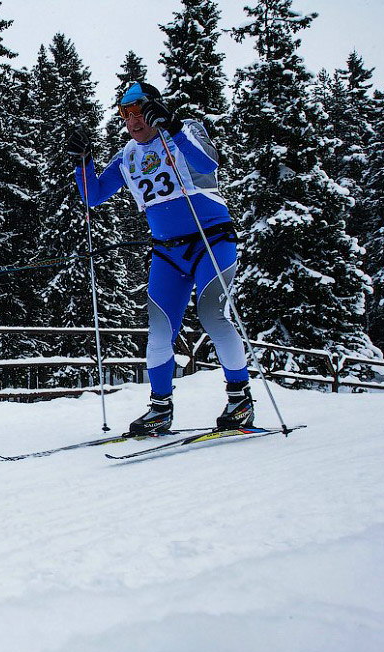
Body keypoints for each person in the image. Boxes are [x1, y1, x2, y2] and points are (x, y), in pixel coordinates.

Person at [67, 81, 253, 433]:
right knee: (159, 330)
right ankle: (159, 409)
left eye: (139, 113)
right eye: (126, 115)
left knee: (213, 315)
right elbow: (94, 196)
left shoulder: (184, 131)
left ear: (155, 109)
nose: (134, 122)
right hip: (168, 252)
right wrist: (84, 163)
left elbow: (209, 162)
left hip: (211, 241)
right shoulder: (128, 156)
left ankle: (240, 400)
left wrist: (175, 128)